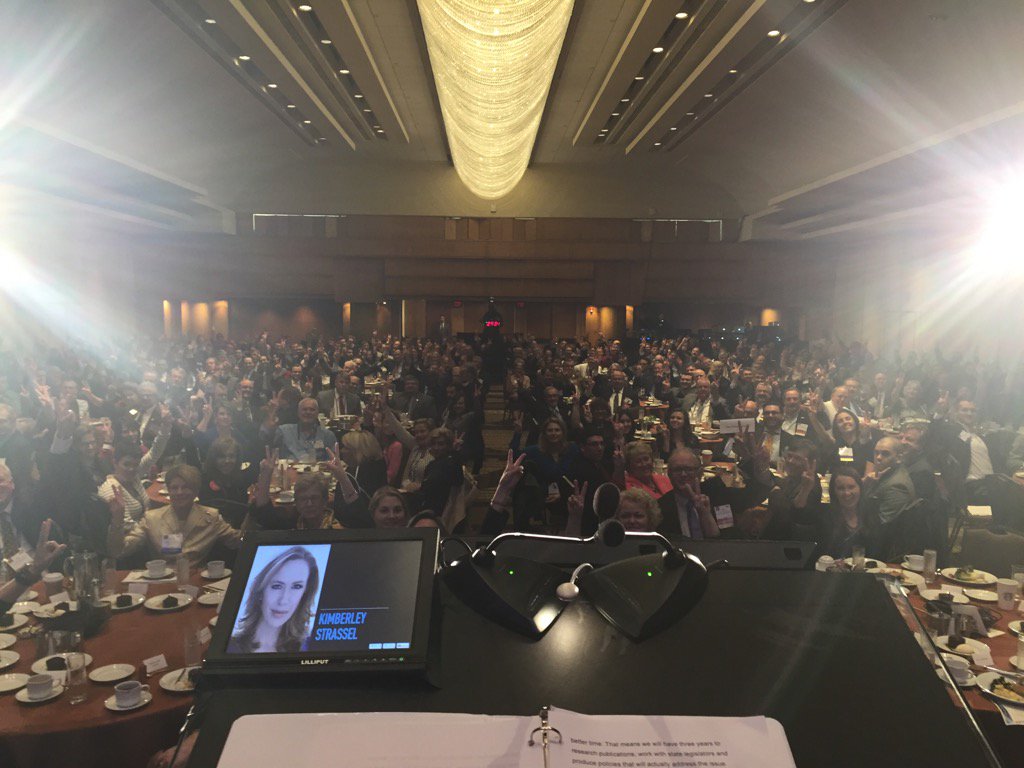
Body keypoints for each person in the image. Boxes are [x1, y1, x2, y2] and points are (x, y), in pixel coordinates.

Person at [108, 464, 242, 566]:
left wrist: (251, 515)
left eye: (185, 487)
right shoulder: (151, 518)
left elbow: (238, 541)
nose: (179, 492)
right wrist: (117, 520)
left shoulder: (211, 517)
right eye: (174, 488)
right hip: (163, 581)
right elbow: (119, 551)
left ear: (196, 491)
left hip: (197, 581)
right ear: (168, 490)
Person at [227, 546, 320, 653]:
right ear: (261, 591)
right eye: (277, 586)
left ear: (305, 594)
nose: (283, 600)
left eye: (297, 586)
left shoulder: (309, 648)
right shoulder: (230, 648)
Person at [817, 468, 868, 559]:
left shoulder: (870, 514)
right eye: (840, 488)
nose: (847, 493)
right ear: (833, 492)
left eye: (851, 487)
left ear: (860, 488)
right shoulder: (825, 517)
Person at [268, 397, 338, 463]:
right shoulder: (284, 431)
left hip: (319, 471)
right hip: (290, 470)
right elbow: (273, 455)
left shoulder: (328, 435)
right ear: (298, 413)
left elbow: (333, 462)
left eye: (312, 410)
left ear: (317, 413)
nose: (308, 412)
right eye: (304, 409)